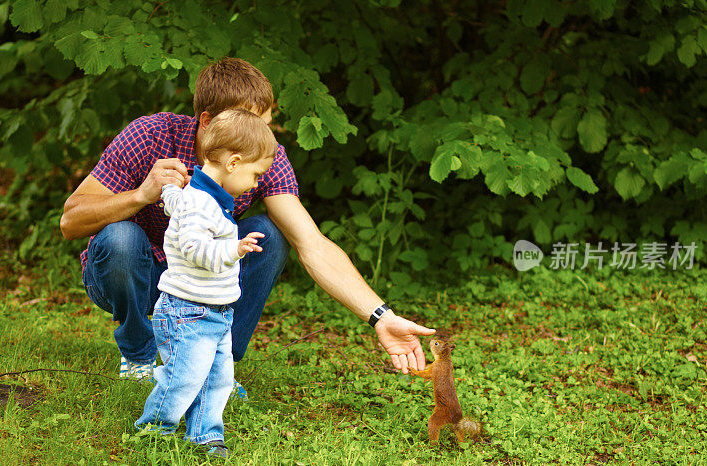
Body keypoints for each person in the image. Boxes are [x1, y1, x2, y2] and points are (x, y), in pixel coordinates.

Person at [60, 57, 435, 383]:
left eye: (267, 125)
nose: (265, 138)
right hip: (136, 276)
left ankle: (214, 363)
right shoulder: (151, 134)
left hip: (203, 277)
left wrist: (380, 316)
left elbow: (312, 244)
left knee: (268, 234)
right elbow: (70, 222)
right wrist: (142, 195)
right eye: (253, 125)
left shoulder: (261, 156)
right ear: (207, 121)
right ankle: (139, 351)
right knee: (120, 237)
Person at [135, 109, 274, 457]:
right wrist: (234, 249)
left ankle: (205, 434)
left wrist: (168, 191)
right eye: (255, 174)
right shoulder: (202, 203)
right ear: (233, 163)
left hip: (215, 311)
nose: (256, 184)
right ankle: (153, 429)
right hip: (188, 311)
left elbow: (174, 205)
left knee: (217, 380)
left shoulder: (201, 195)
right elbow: (194, 248)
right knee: (183, 377)